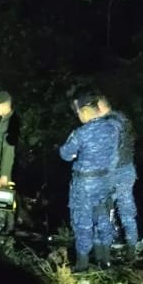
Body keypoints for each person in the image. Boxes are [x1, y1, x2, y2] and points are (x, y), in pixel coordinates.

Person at [58, 93, 122, 272]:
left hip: (85, 185)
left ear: (86, 112)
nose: (78, 116)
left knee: (83, 221)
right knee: (104, 218)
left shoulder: (81, 133)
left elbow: (65, 154)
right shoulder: (113, 130)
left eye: (79, 112)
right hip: (107, 183)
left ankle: (82, 263)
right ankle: (105, 260)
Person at [95, 94, 138, 255]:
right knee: (125, 209)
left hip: (115, 173)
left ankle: (111, 243)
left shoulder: (110, 123)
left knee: (106, 208)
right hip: (127, 169)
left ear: (99, 107)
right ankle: (130, 246)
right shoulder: (122, 118)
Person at [0, 90, 19, 234]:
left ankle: (8, 227)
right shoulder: (2, 120)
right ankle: (5, 224)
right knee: (3, 194)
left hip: (5, 167)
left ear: (5, 105)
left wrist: (4, 174)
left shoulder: (10, 123)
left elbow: (9, 150)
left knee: (4, 195)